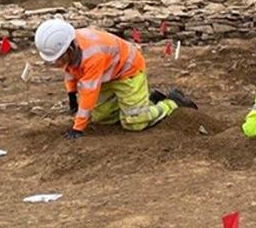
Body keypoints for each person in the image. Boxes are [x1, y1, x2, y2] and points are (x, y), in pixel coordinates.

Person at [34, 19, 196, 140]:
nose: (57, 63)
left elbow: (89, 92)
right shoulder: (67, 45)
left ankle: (172, 103)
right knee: (103, 118)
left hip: (128, 71)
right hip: (107, 73)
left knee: (135, 122)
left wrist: (78, 128)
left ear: (70, 47)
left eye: (59, 58)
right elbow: (70, 70)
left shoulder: (91, 55)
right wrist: (71, 95)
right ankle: (143, 101)